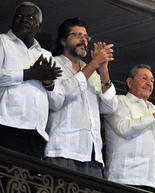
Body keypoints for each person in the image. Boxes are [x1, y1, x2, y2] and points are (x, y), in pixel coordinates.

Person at [44, 18, 117, 178]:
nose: (83, 39)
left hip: (92, 154)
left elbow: (110, 107)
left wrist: (103, 69)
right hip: (63, 150)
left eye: (85, 36)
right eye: (77, 35)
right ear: (63, 41)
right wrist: (93, 64)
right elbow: (57, 100)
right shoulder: (53, 64)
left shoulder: (93, 72)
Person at [103, 64, 155, 193]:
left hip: (152, 183)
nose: (149, 83)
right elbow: (124, 129)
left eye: (152, 80)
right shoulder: (119, 101)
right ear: (130, 82)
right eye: (144, 78)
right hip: (125, 179)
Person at [0, 1, 61, 158]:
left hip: (36, 132)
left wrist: (48, 84)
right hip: (6, 126)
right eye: (20, 15)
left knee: (28, 182)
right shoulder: (2, 42)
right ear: (12, 20)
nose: (25, 19)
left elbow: (57, 102)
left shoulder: (46, 55)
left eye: (31, 17)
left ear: (39, 27)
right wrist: (30, 74)